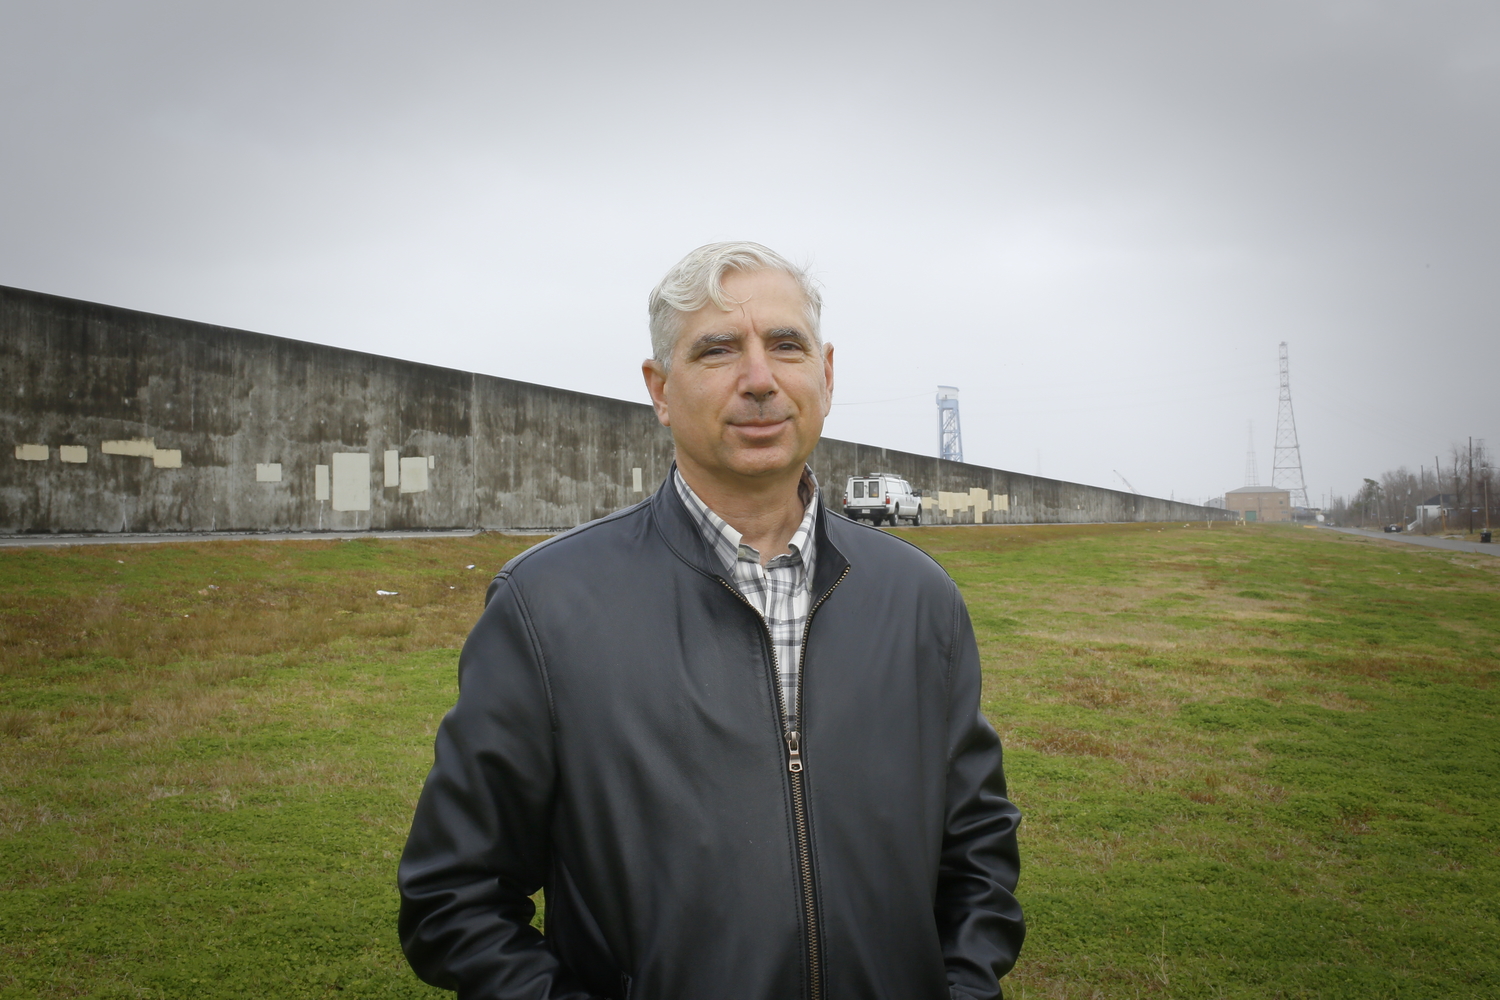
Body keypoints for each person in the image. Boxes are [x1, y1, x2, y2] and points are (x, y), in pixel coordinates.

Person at [398, 242, 1024, 999]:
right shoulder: (547, 606)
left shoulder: (919, 598)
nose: (759, 379)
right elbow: (453, 897)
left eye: (785, 346)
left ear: (824, 376)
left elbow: (978, 859)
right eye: (718, 350)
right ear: (660, 390)